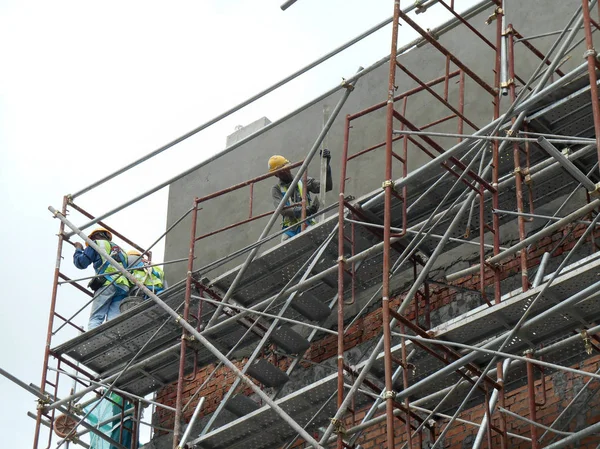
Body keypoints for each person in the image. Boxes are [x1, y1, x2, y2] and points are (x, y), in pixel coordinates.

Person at [269, 150, 333, 241]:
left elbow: (326, 186)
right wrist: (304, 210)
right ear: (276, 175)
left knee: (319, 238)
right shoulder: (276, 189)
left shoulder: (303, 181)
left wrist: (326, 166)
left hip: (308, 225)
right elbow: (283, 210)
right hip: (290, 232)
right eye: (281, 172)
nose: (285, 172)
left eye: (286, 168)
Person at [73, 227, 130, 330]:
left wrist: (78, 249)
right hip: (123, 286)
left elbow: (81, 263)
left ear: (95, 236)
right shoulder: (122, 251)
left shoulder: (96, 244)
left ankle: (92, 339)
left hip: (107, 283)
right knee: (114, 319)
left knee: (96, 317)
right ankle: (115, 337)